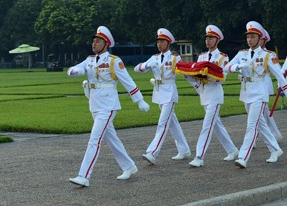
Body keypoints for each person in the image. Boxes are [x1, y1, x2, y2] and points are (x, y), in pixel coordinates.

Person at [66, 26, 150, 187]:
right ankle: (129, 166)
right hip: (94, 104)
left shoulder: (113, 61)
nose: (94, 44)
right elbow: (79, 68)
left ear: (106, 44)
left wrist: (139, 100)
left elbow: (127, 80)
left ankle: (83, 176)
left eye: (97, 41)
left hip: (108, 105)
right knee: (111, 138)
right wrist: (74, 70)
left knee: (94, 139)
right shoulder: (90, 59)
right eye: (93, 41)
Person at [224, 21, 287, 168]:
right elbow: (226, 67)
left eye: (253, 36)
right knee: (260, 124)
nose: (249, 39)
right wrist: (237, 66)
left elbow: (279, 75)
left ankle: (243, 156)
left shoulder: (267, 55)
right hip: (246, 91)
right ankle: (275, 150)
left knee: (251, 125)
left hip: (260, 92)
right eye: (248, 36)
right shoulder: (242, 53)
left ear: (259, 38)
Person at [134, 28, 191, 165]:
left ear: (168, 43)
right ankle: (184, 150)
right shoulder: (154, 58)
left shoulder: (174, 57)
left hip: (170, 92)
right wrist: (147, 64)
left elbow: (184, 72)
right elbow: (137, 69)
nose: (159, 44)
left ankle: (152, 152)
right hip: (159, 92)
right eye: (158, 41)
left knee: (163, 123)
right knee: (173, 124)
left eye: (162, 41)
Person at [185, 25, 238, 167]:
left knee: (207, 126)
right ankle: (232, 150)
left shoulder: (222, 57)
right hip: (204, 95)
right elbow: (196, 78)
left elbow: (222, 77)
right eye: (207, 38)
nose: (208, 40)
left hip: (214, 94)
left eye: (211, 38)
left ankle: (199, 156)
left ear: (217, 40)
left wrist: (207, 74)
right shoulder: (201, 56)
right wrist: (186, 74)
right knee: (216, 125)